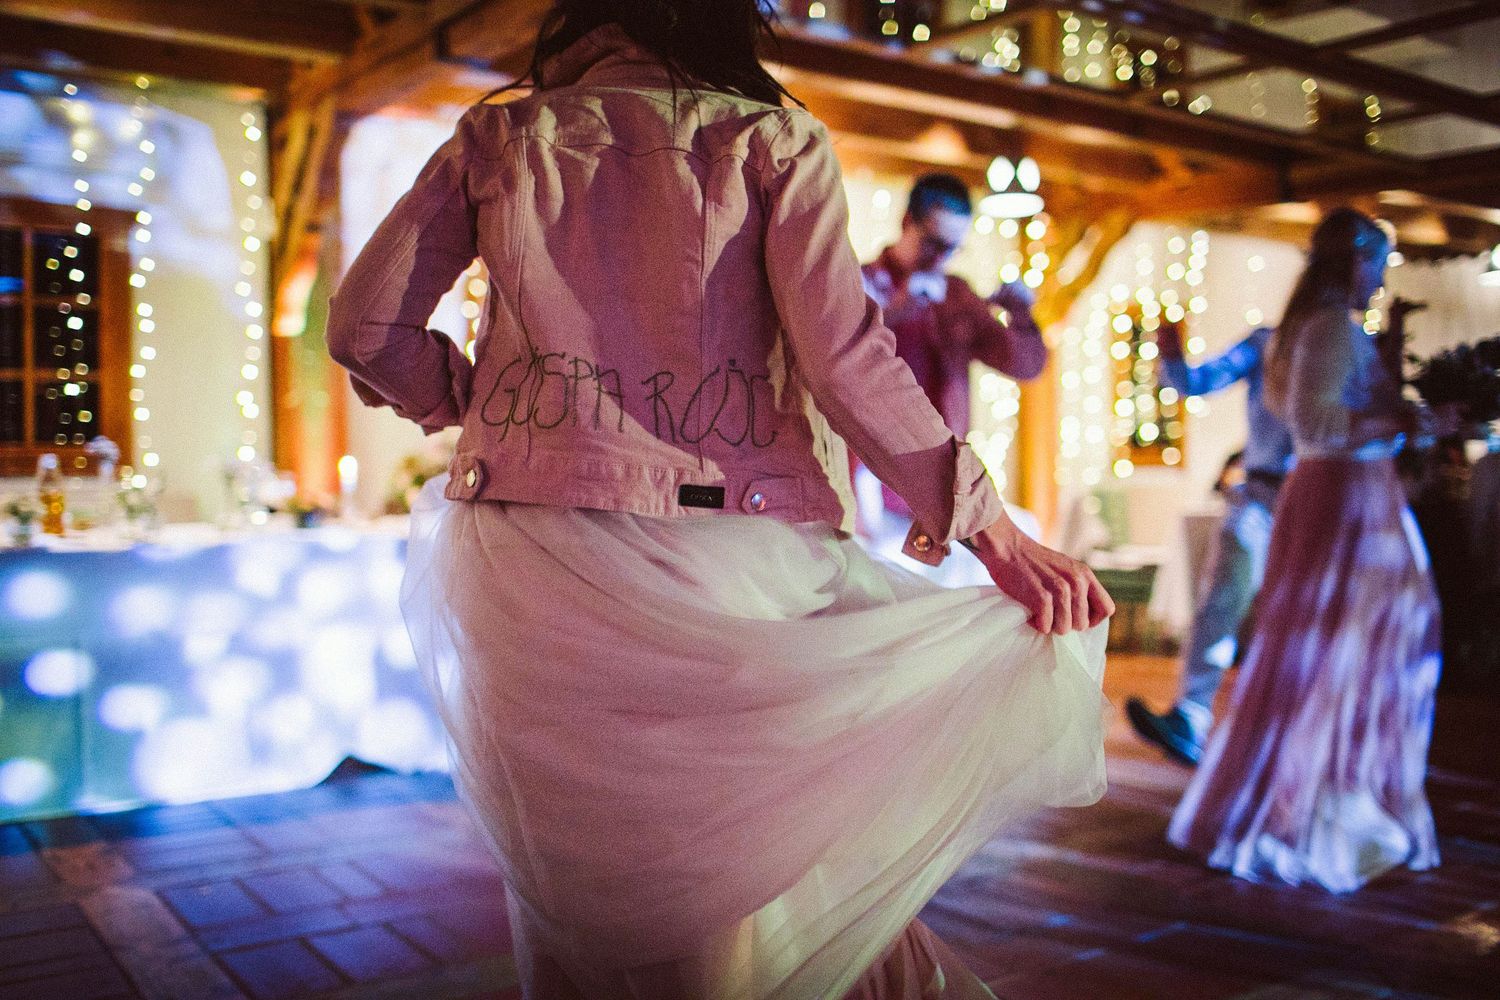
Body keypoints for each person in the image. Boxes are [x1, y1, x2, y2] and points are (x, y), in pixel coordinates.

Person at [327, 3, 1114, 997]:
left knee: (578, 883)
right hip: (720, 550)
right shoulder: (769, 140)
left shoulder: (500, 136)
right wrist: (994, 536)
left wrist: (472, 402)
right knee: (731, 885)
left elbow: (364, 328)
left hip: (524, 560)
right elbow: (845, 360)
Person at [1167, 208, 1443, 893]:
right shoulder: (1324, 328)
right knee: (1321, 651)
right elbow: (1317, 425)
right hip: (1335, 496)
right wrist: (1402, 417)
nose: (1382, 278)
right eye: (1378, 263)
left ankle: (1341, 797)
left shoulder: (1317, 328)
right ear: (1355, 261)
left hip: (1335, 493)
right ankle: (1316, 810)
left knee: (1343, 649)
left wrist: (1419, 420)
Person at [856, 174, 1048, 584]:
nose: (942, 258)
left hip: (944, 482)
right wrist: (899, 311)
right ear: (907, 222)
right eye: (934, 243)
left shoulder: (956, 295)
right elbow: (840, 359)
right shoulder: (861, 284)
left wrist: (1020, 315)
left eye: (953, 247)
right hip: (872, 482)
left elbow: (1026, 366)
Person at [1124, 322, 1293, 765]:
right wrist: (1171, 356)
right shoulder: (1266, 342)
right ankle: (1190, 717)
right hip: (1259, 493)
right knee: (1219, 603)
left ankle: (1285, 738)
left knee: (1298, 618)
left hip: (1317, 500)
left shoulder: (1351, 343)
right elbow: (1196, 382)